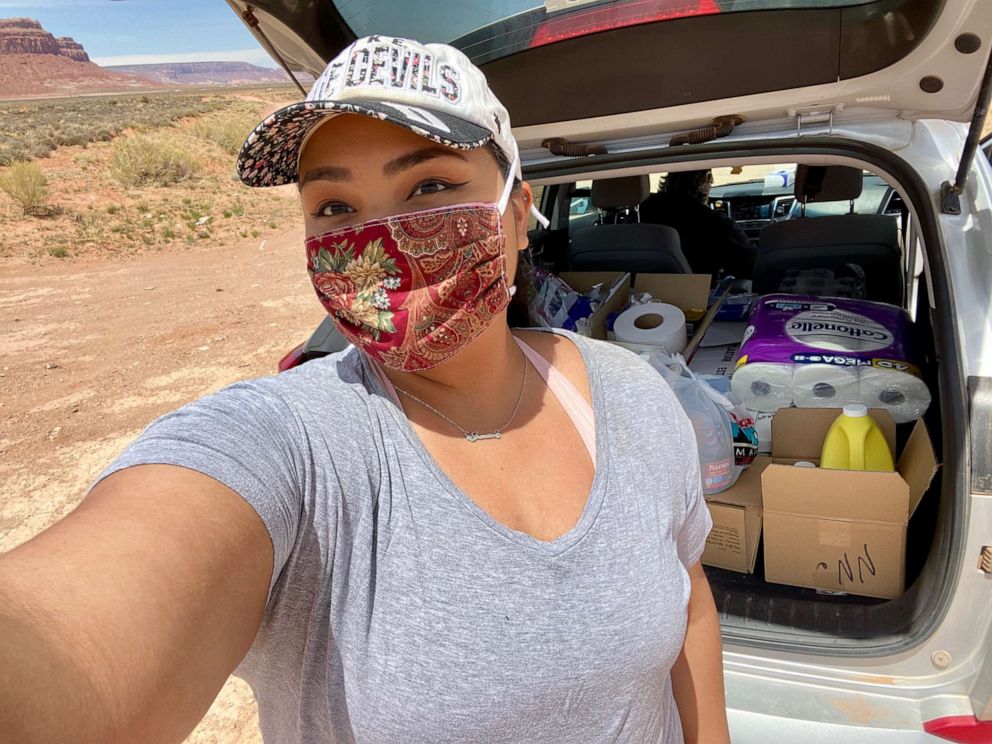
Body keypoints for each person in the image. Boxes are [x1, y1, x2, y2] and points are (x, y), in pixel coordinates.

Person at [0, 37, 729, 744]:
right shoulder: (288, 443)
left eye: (431, 187)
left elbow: (686, 596)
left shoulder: (629, 392)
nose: (379, 240)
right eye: (335, 209)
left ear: (514, 215)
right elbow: (79, 621)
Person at [639, 169, 756, 280]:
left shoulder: (638, 217)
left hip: (642, 295)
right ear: (704, 180)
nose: (713, 182)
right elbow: (751, 266)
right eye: (710, 177)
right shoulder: (714, 222)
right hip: (697, 295)